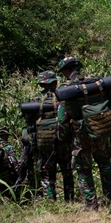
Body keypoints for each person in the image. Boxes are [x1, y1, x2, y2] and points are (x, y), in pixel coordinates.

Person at [56, 56, 111, 211]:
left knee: (83, 168)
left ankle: (91, 205)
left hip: (82, 134)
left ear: (66, 70)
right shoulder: (97, 83)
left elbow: (63, 118)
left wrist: (62, 137)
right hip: (102, 129)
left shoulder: (68, 88)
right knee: (105, 163)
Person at [33, 70, 75, 201]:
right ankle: (69, 200)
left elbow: (30, 126)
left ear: (41, 85)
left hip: (44, 142)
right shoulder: (62, 98)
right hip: (63, 141)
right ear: (55, 83)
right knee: (67, 171)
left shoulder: (35, 102)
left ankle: (50, 201)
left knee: (47, 174)